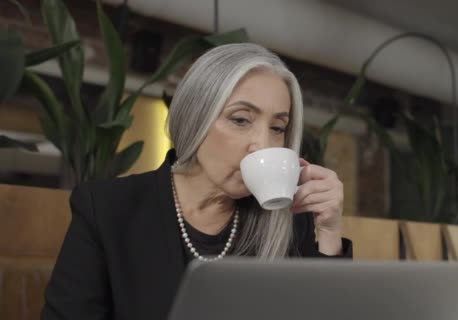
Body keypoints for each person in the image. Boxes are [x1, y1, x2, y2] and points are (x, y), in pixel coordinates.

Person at [41, 43, 352, 320]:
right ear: (195, 119)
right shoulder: (108, 209)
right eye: (241, 120)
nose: (264, 145)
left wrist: (328, 233)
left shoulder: (287, 221)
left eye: (277, 127)